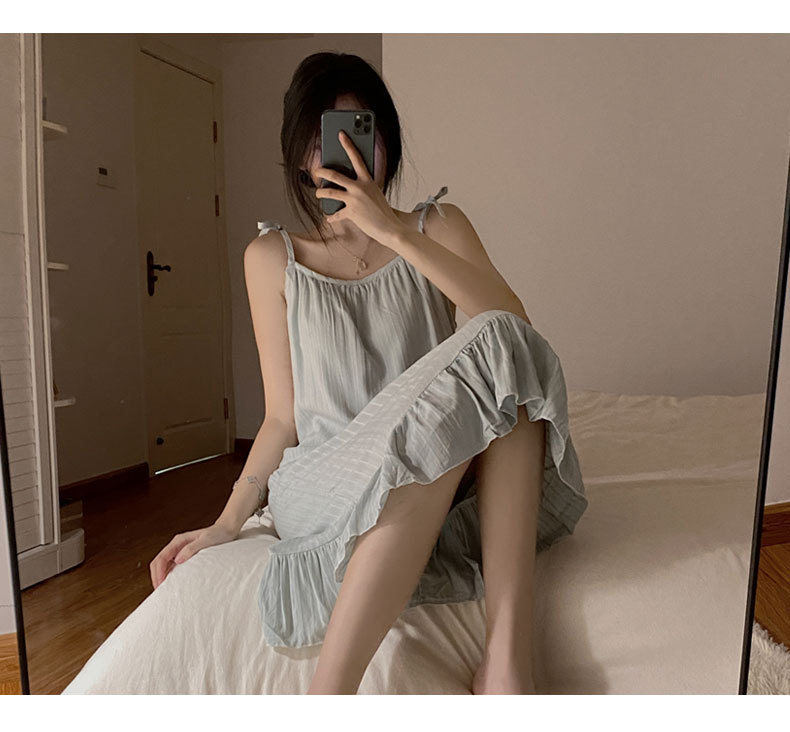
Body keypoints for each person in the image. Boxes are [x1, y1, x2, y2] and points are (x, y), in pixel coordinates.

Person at [150, 51, 588, 695]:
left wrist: (395, 231)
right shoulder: (272, 257)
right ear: (301, 156)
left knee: (508, 369)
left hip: (430, 472)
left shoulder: (438, 226)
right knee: (490, 376)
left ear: (388, 140)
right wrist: (228, 521)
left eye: (365, 131)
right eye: (328, 136)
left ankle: (505, 662)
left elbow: (514, 328)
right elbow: (281, 418)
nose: (351, 151)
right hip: (329, 479)